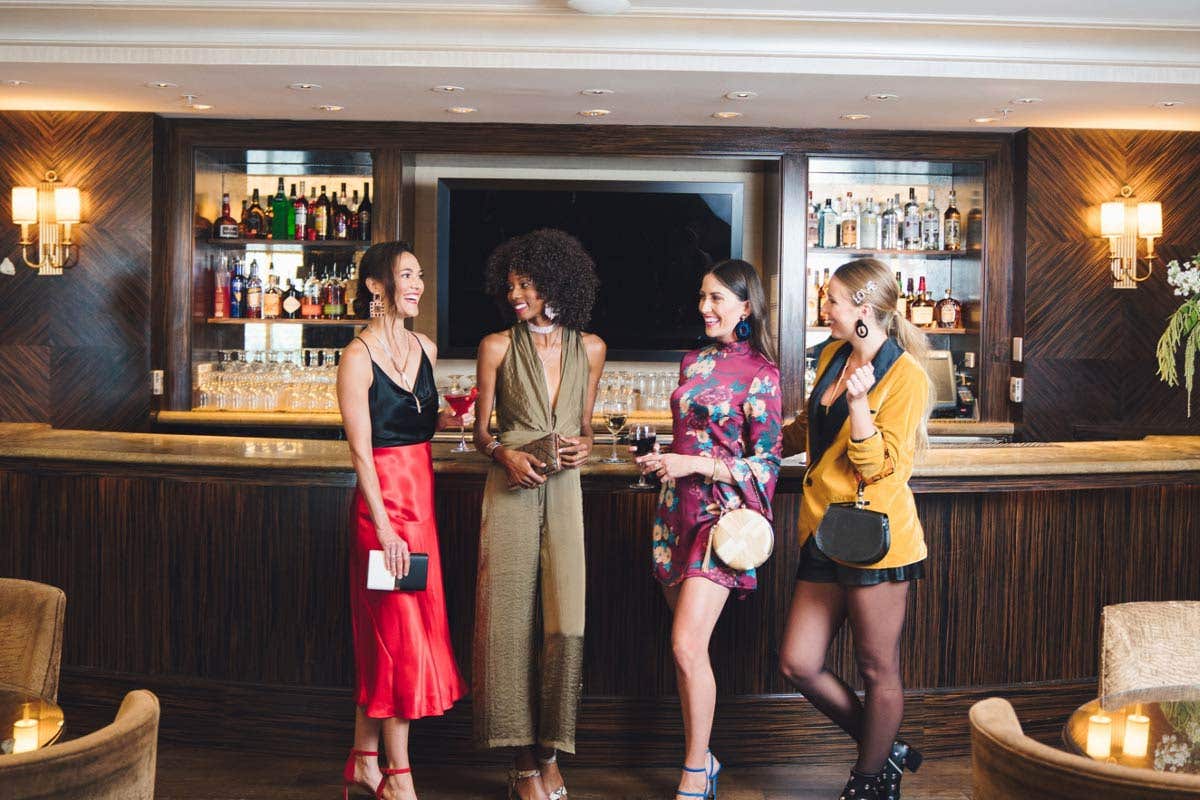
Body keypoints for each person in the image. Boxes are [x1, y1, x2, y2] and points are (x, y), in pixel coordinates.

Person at [777, 258, 931, 800]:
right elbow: (807, 429)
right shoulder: (831, 356)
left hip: (877, 540)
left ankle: (869, 783)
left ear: (864, 310)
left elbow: (877, 465)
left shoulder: (906, 375)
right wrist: (749, 449)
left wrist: (861, 402)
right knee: (798, 663)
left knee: (876, 667)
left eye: (833, 300)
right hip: (823, 531)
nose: (826, 308)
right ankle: (886, 748)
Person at [635, 259, 782, 800]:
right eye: (703, 296)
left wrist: (693, 465)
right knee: (687, 652)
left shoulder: (762, 374)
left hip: (722, 524)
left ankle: (695, 770)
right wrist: (660, 462)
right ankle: (705, 758)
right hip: (676, 515)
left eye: (718, 298)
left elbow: (767, 465)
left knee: (685, 645)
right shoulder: (691, 362)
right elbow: (687, 443)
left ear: (746, 307)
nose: (706, 308)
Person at [471, 229, 607, 800]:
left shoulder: (591, 348)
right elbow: (480, 433)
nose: (515, 296)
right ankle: (523, 762)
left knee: (564, 623)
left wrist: (588, 445)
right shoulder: (496, 347)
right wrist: (504, 453)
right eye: (510, 286)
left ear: (555, 284)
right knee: (506, 623)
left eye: (524, 285)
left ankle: (552, 751)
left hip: (566, 491)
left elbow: (587, 426)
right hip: (510, 487)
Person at [337, 241, 469, 800]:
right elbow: (362, 453)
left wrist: (456, 410)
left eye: (419, 274)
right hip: (382, 514)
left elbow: (421, 423)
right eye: (405, 275)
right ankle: (399, 778)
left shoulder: (426, 347)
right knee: (398, 638)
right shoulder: (356, 358)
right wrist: (385, 528)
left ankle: (365, 761)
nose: (417, 284)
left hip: (423, 509)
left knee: (399, 635)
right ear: (375, 286)